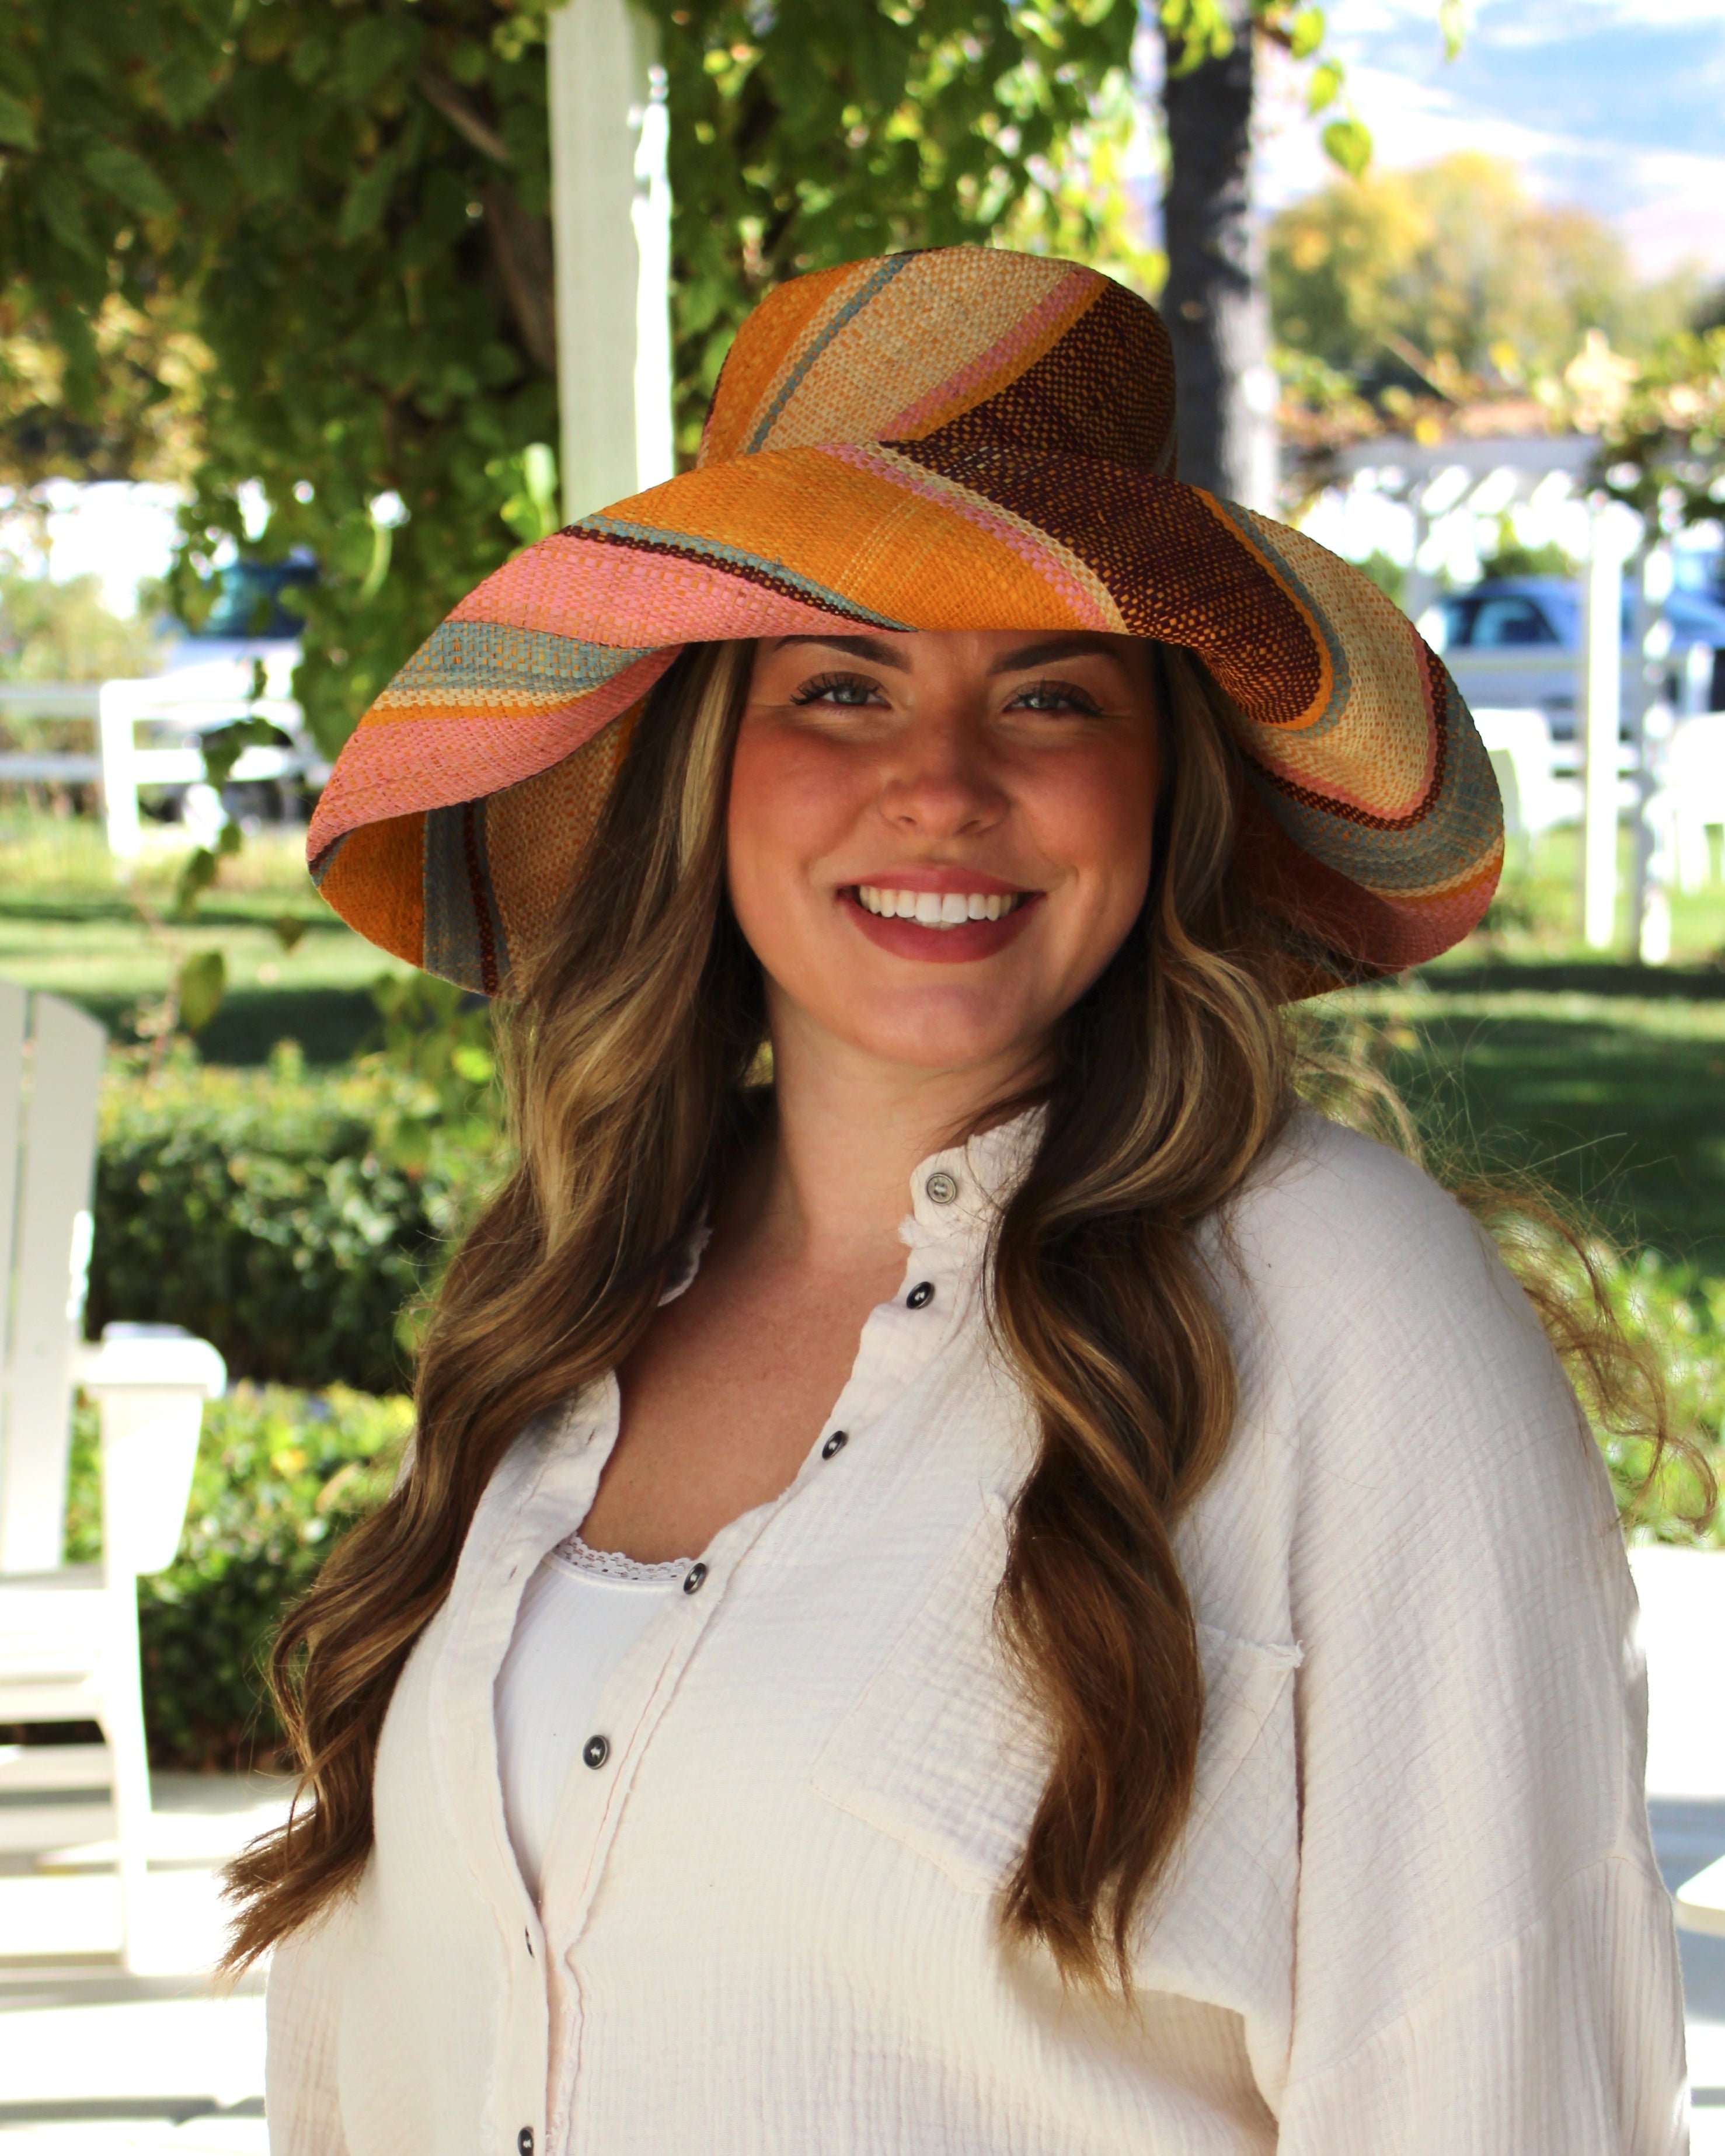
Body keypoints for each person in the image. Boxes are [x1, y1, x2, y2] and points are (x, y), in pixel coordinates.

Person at [233, 248, 1691, 2154]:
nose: (938, 784)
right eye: (839, 687)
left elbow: (1502, 2093)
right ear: (706, 774)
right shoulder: (575, 1293)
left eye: (1050, 698)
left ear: (1159, 786)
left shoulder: (1342, 1315)